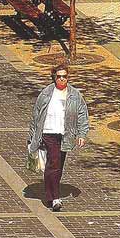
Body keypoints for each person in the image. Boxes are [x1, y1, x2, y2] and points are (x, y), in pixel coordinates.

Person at [27, 63, 89, 212]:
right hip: (48, 132)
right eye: (59, 76)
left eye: (64, 77)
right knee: (54, 162)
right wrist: (32, 137)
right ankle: (55, 197)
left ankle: (49, 194)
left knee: (57, 166)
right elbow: (36, 115)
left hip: (65, 134)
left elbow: (82, 114)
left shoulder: (74, 95)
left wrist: (82, 133)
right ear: (54, 77)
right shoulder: (47, 93)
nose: (62, 79)